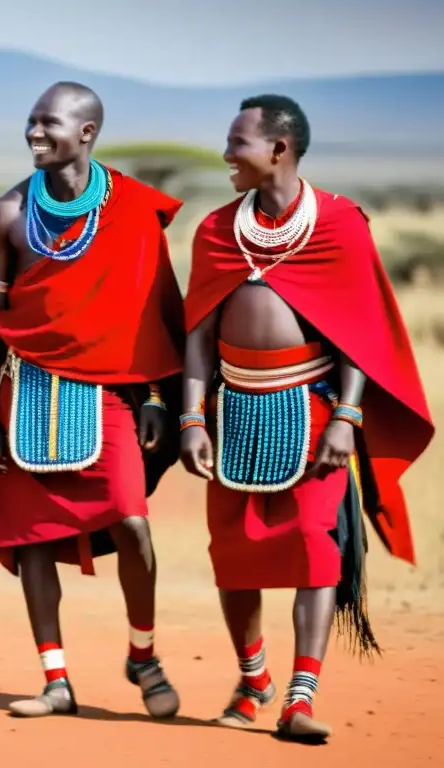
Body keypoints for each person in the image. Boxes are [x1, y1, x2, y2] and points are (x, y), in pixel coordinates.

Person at [181, 94, 434, 742]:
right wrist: (191, 418)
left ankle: (300, 694)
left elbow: (359, 329)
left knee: (315, 547)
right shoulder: (215, 230)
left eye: (237, 142)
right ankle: (253, 674)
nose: (226, 154)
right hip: (232, 410)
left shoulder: (339, 223)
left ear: (278, 149)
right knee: (231, 555)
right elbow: (198, 335)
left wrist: (347, 416)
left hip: (314, 410)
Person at [0, 82, 186, 719]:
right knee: (33, 537)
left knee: (131, 521)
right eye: (30, 122)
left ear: (87, 133)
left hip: (111, 394)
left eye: (49, 124)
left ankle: (143, 655)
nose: (34, 134)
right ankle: (56, 680)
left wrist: (154, 392)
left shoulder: (133, 208)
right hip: (29, 389)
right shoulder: (6, 213)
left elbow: (151, 308)